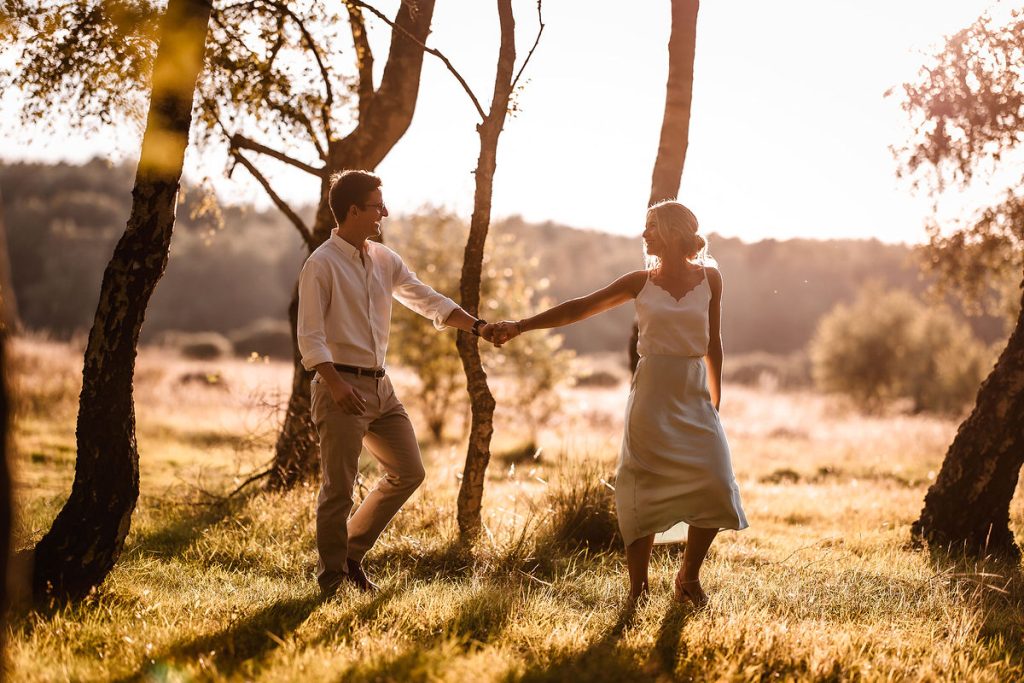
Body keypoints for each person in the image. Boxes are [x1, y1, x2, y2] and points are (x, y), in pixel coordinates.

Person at [489, 201, 747, 606]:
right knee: (641, 486)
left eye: (652, 226)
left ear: (674, 232)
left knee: (714, 480)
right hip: (651, 393)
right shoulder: (639, 281)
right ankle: (638, 590)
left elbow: (714, 343)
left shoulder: (711, 279)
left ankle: (688, 578)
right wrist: (520, 326)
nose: (644, 235)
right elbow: (580, 307)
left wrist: (715, 400)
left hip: (694, 391)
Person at [297, 170, 499, 597]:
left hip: (380, 388)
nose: (383, 213)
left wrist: (477, 326)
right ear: (353, 210)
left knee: (409, 471)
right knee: (338, 489)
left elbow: (428, 300)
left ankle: (350, 553)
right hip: (340, 387)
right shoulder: (321, 265)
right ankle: (332, 579)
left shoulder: (385, 260)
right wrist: (334, 384)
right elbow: (310, 337)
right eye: (376, 206)